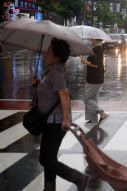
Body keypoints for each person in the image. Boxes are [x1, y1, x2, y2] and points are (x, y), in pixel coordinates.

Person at [30, 38, 90, 191]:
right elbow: (51, 91)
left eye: (49, 51)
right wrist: (38, 84)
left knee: (45, 158)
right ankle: (49, 188)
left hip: (55, 122)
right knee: (49, 158)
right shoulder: (53, 70)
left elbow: (64, 93)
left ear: (56, 56)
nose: (46, 54)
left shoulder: (56, 71)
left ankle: (78, 178)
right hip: (51, 121)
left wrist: (65, 119)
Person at [80, 39, 109, 126]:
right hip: (95, 77)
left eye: (91, 38)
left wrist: (85, 62)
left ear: (96, 39)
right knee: (92, 98)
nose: (90, 40)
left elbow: (97, 64)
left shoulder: (98, 49)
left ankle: (102, 113)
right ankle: (93, 120)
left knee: (86, 98)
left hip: (94, 78)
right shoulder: (95, 49)